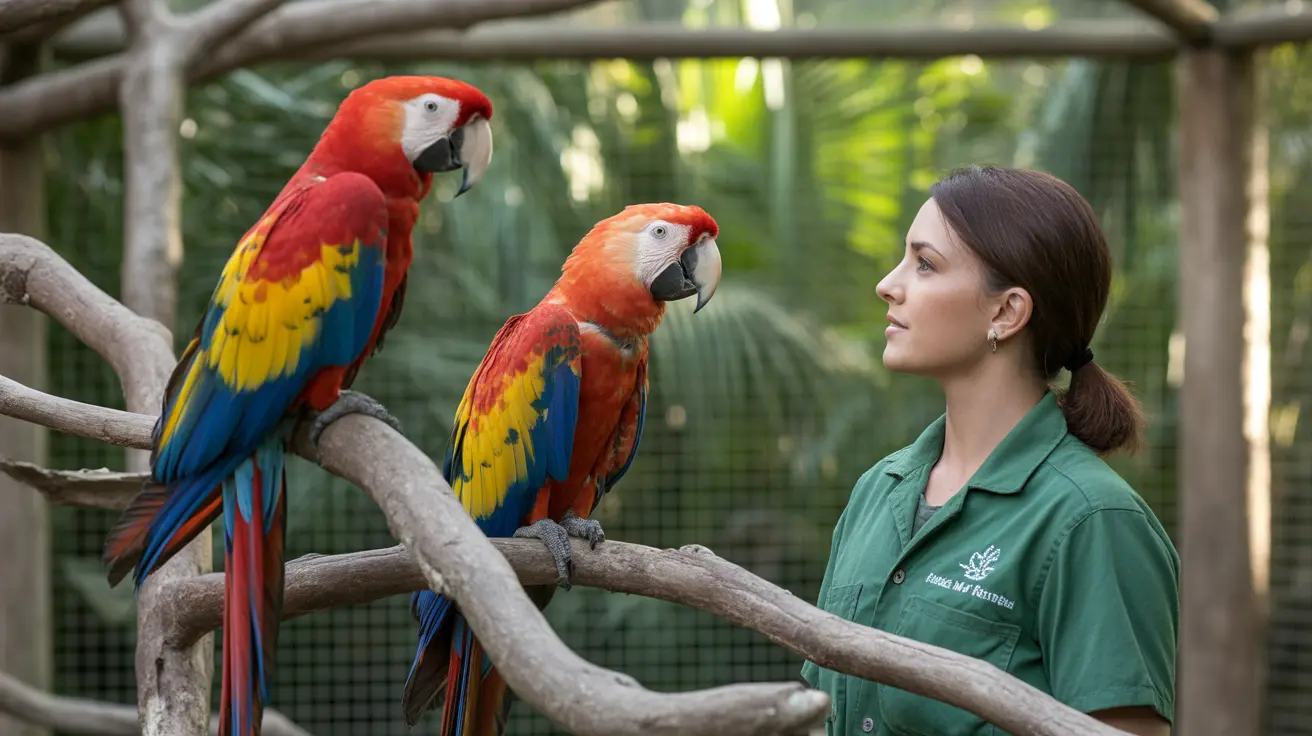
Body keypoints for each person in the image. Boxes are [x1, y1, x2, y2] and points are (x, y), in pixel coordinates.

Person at [801, 166, 1179, 736]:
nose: (889, 283)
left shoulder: (1095, 521)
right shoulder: (877, 492)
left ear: (1006, 312)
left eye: (925, 264)